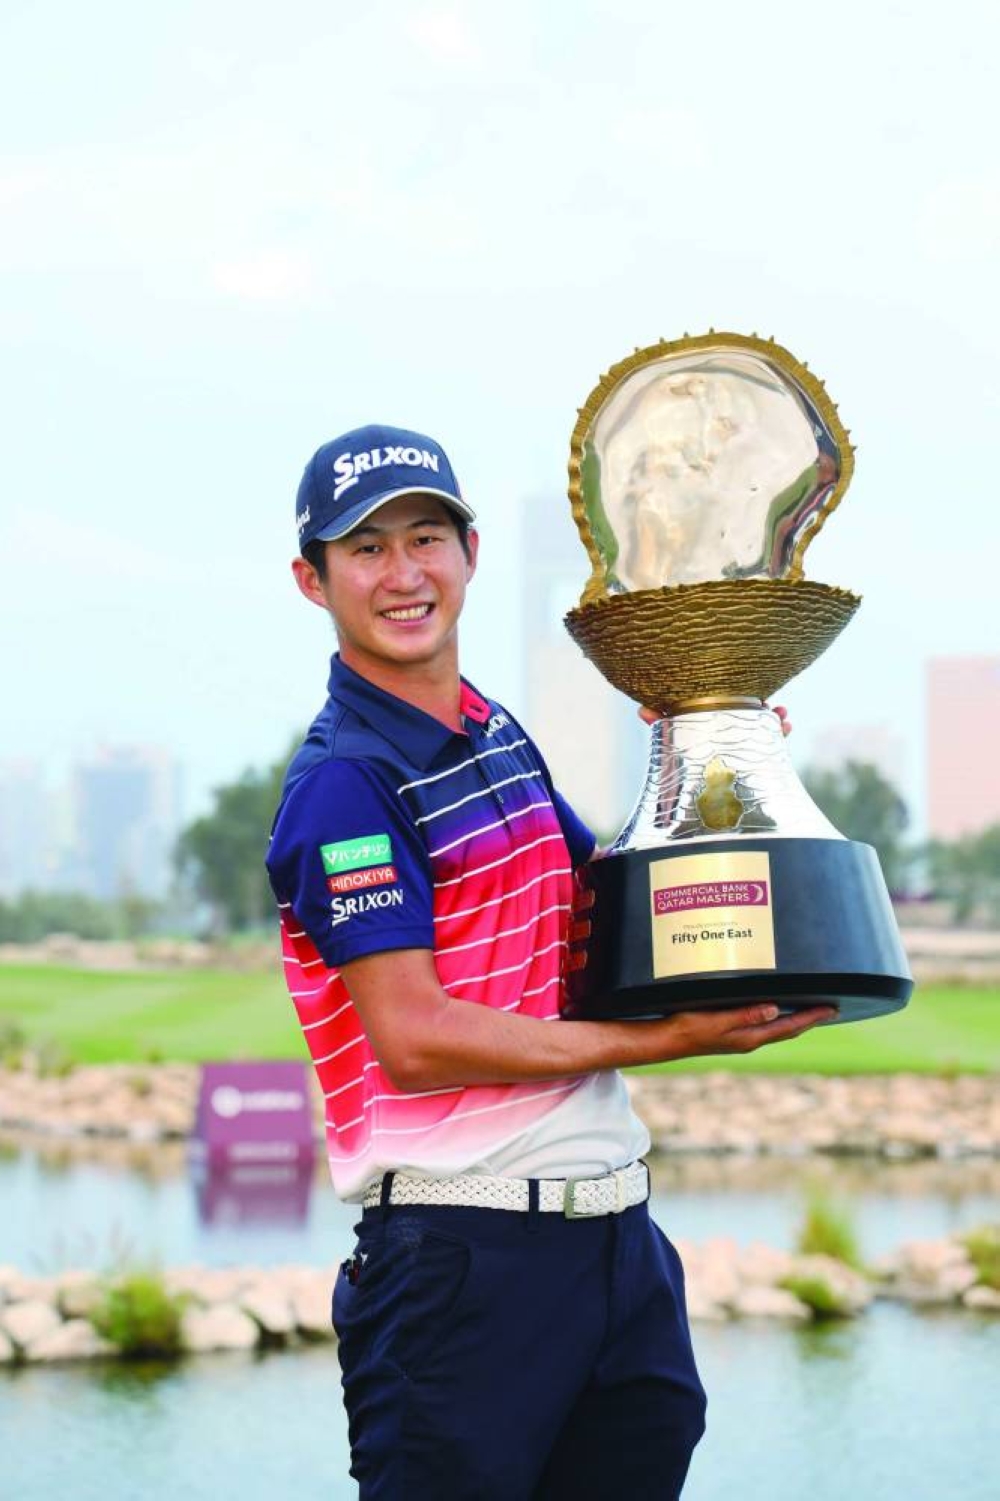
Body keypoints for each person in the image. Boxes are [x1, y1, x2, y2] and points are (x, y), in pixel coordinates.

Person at [266, 423, 834, 1500]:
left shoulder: (495, 734)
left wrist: (711, 754)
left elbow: (611, 901)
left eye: (425, 538)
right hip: (458, 1262)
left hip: (615, 1247)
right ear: (314, 579)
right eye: (366, 549)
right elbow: (417, 1038)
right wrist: (665, 1040)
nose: (404, 574)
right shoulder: (345, 782)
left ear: (470, 553)